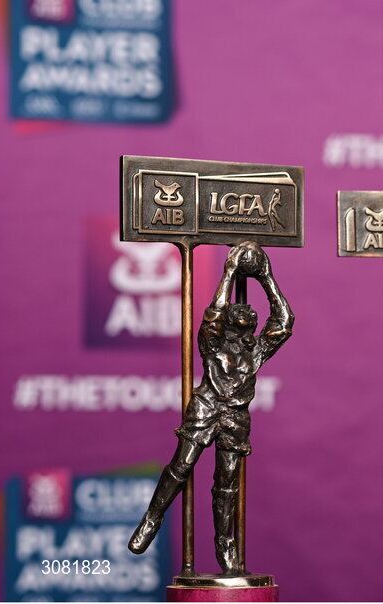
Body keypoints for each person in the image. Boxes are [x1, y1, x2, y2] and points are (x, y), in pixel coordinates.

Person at [128, 242, 293, 575]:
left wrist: (266, 276)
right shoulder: (212, 343)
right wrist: (229, 272)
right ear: (231, 325)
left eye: (251, 322)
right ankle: (152, 517)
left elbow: (285, 321)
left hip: (235, 417)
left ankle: (224, 543)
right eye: (240, 318)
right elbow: (212, 316)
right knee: (181, 466)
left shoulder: (256, 351)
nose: (247, 321)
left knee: (227, 483)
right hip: (206, 407)